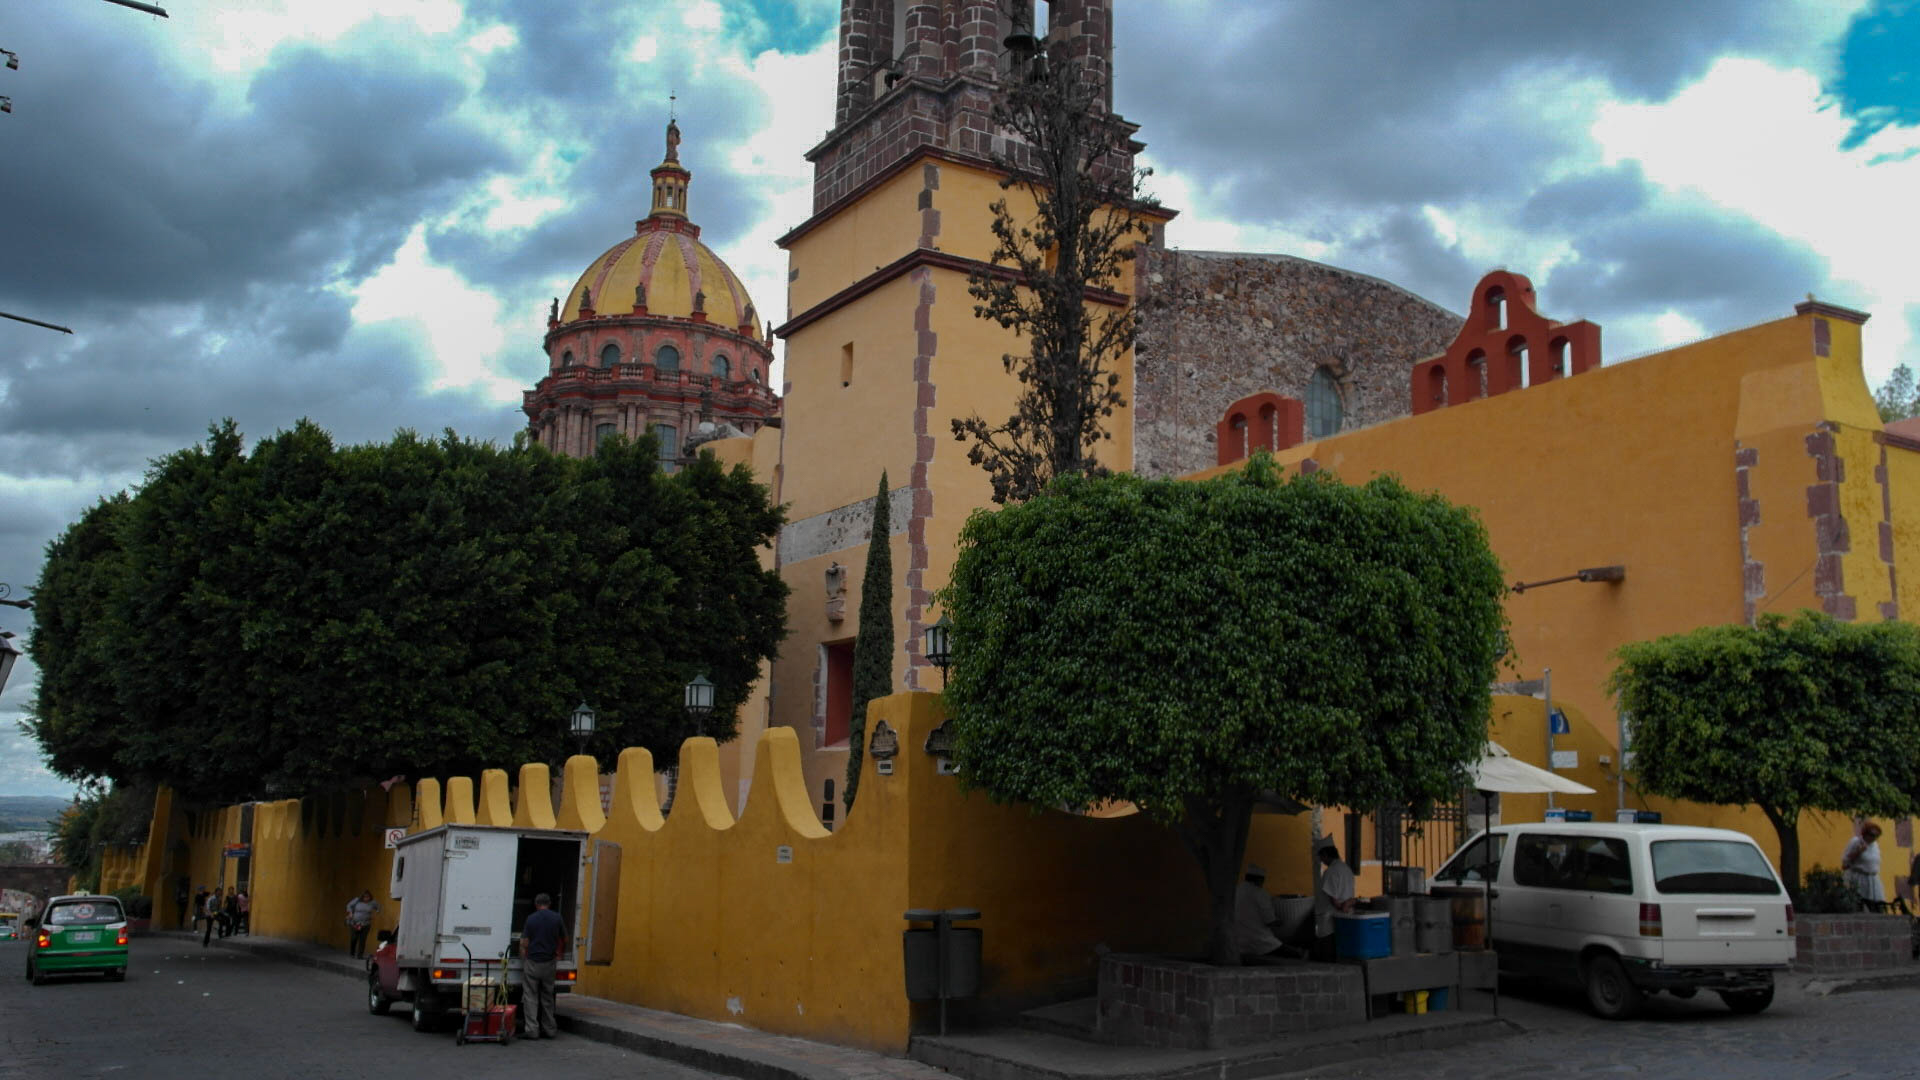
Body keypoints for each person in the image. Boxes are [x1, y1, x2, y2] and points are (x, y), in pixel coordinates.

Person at [519, 893, 569, 1039]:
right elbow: (564, 938)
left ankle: (532, 1030)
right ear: (549, 904)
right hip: (549, 963)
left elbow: (524, 943)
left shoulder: (531, 919)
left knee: (530, 996)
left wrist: (524, 959)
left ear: (536, 904)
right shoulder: (557, 918)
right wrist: (559, 953)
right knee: (548, 997)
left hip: (533, 962)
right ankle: (549, 1029)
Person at [1312, 839, 1358, 961]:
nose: (1321, 861)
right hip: (1345, 916)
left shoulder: (1331, 871)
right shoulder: (1346, 869)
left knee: (1328, 951)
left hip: (1331, 918)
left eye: (1321, 857)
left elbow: (1333, 899)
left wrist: (1342, 906)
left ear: (1326, 855)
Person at [1232, 863, 1288, 961]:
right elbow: (1270, 921)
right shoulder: (1260, 893)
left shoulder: (1236, 890)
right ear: (1259, 880)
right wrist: (1282, 921)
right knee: (1293, 952)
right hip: (1260, 941)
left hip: (1239, 941)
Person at [1842, 822, 1885, 905]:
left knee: (1876, 905)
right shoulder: (1856, 842)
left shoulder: (1875, 845)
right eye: (1872, 835)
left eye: (1877, 836)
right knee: (1860, 903)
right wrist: (1859, 852)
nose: (1874, 838)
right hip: (1859, 877)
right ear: (1865, 834)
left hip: (1873, 879)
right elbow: (1845, 861)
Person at [345, 889, 379, 958]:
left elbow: (378, 907)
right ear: (362, 897)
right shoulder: (357, 900)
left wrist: (376, 913)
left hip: (366, 924)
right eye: (365, 897)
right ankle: (352, 953)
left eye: (368, 897)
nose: (366, 898)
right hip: (355, 923)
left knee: (362, 940)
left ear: (370, 897)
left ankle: (360, 955)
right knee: (354, 938)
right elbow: (349, 905)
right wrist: (350, 912)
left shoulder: (372, 902)